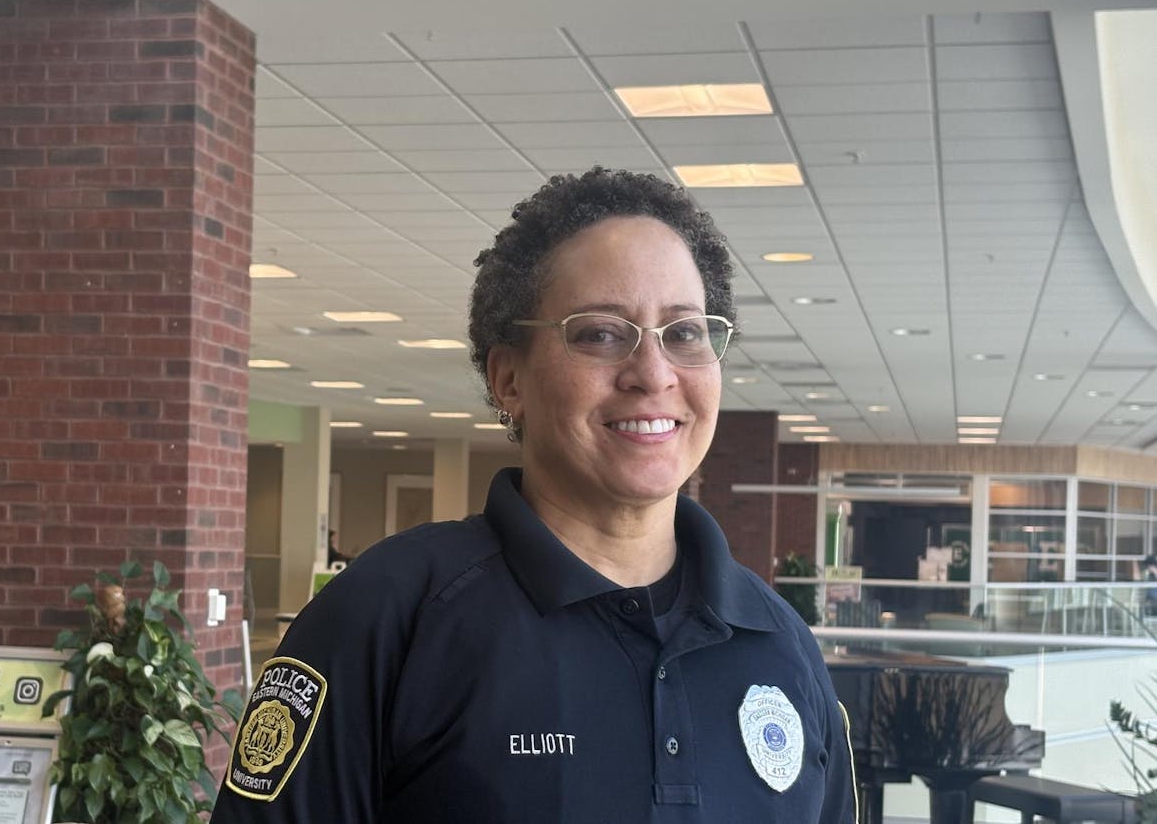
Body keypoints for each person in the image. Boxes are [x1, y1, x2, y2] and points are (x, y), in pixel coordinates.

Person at [213, 168, 857, 822]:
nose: (654, 373)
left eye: (684, 332)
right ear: (508, 378)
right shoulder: (385, 619)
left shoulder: (780, 643)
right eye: (601, 332)